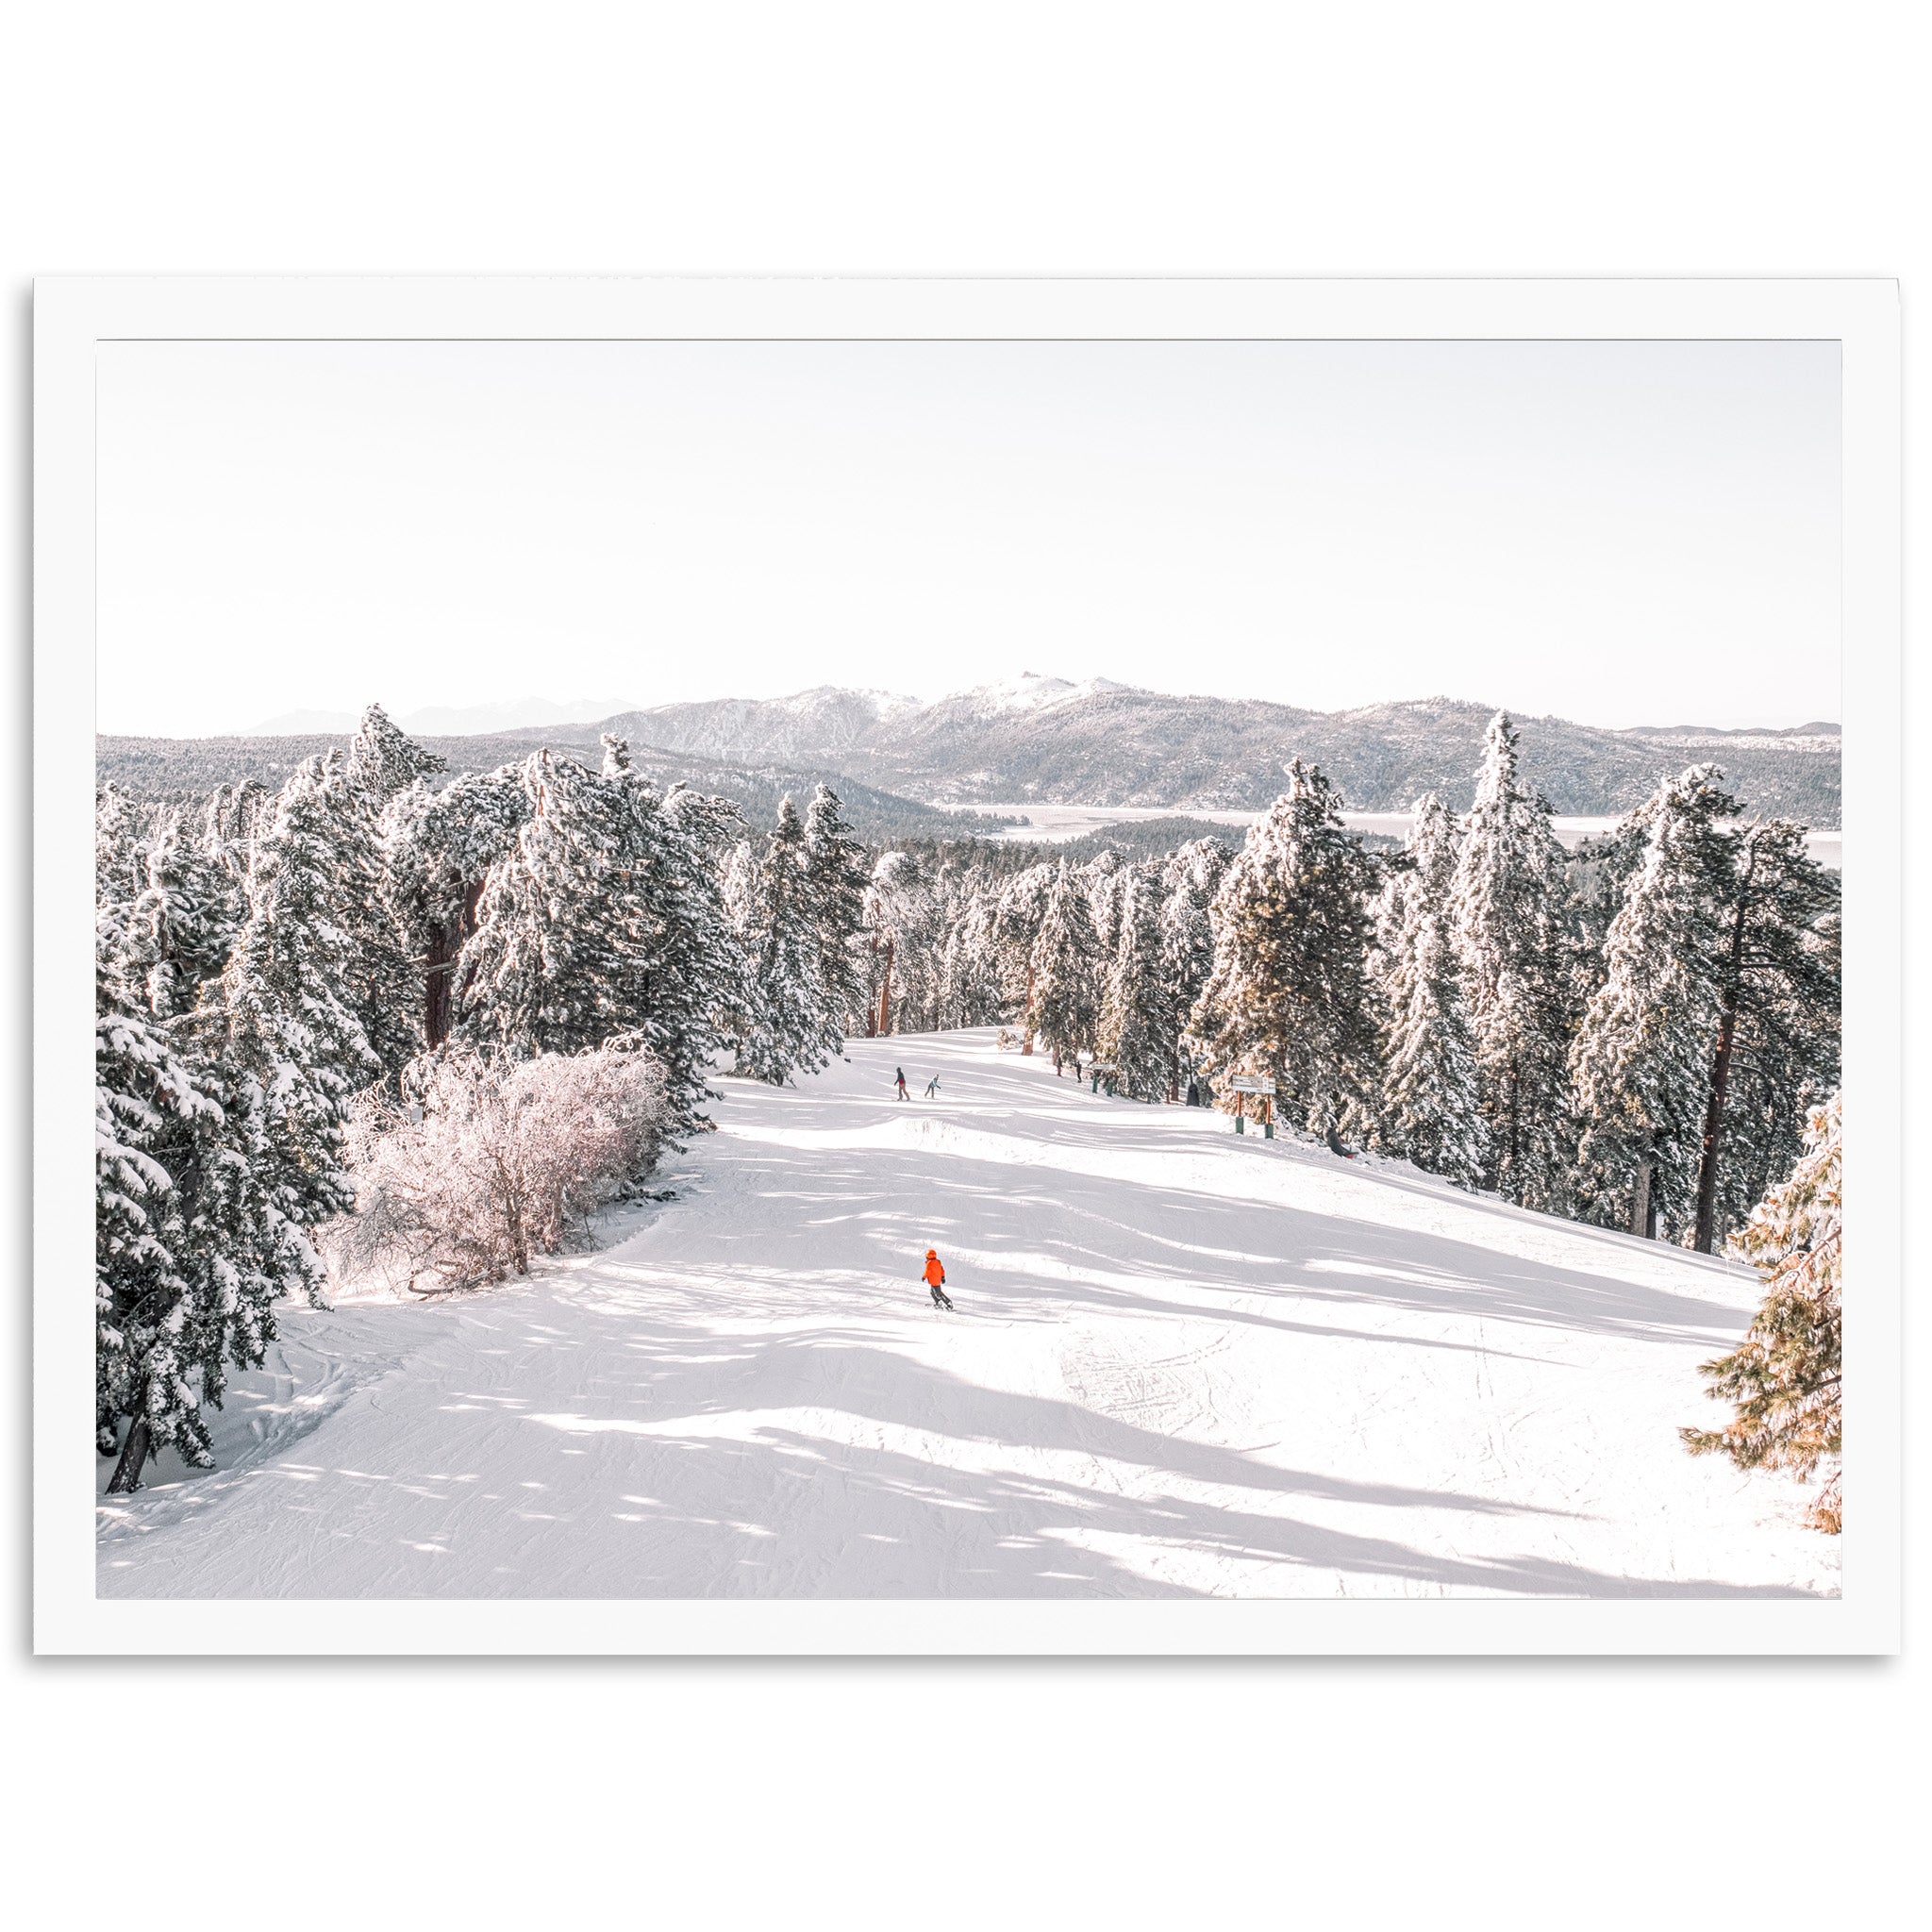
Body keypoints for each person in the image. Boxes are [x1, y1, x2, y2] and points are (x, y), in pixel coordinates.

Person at [923, 1247, 953, 1311]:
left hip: (933, 1281)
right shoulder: (938, 1262)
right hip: (937, 1280)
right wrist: (943, 1277)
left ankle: (948, 1303)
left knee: (938, 1293)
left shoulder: (929, 1263)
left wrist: (924, 1277)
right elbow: (942, 1270)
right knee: (932, 1292)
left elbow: (927, 1271)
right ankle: (938, 1303)